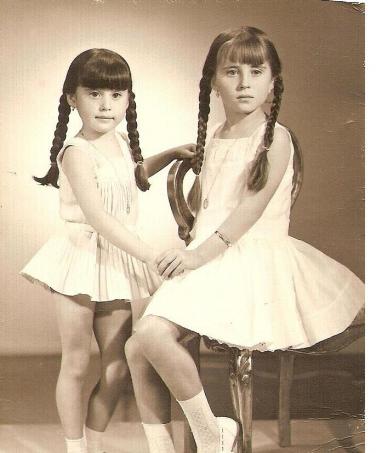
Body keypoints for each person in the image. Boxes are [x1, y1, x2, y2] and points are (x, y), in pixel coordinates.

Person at [125, 27, 365, 453]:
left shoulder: (277, 139)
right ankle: (188, 441)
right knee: (137, 344)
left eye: (256, 72)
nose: (244, 83)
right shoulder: (216, 137)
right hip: (210, 259)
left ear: (273, 82)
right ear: (213, 82)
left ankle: (212, 436)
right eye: (232, 72)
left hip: (252, 262)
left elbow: (246, 214)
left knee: (149, 335)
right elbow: (207, 209)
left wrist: (194, 257)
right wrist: (184, 162)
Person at [20, 48, 194, 453]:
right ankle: (75, 448)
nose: (105, 105)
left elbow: (132, 176)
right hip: (80, 260)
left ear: (128, 100)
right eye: (94, 93)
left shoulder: (121, 142)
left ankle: (95, 442)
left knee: (117, 368)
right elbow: (99, 218)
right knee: (77, 363)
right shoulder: (75, 153)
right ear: (72, 98)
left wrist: (170, 154)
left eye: (116, 95)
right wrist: (149, 255)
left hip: (114, 261)